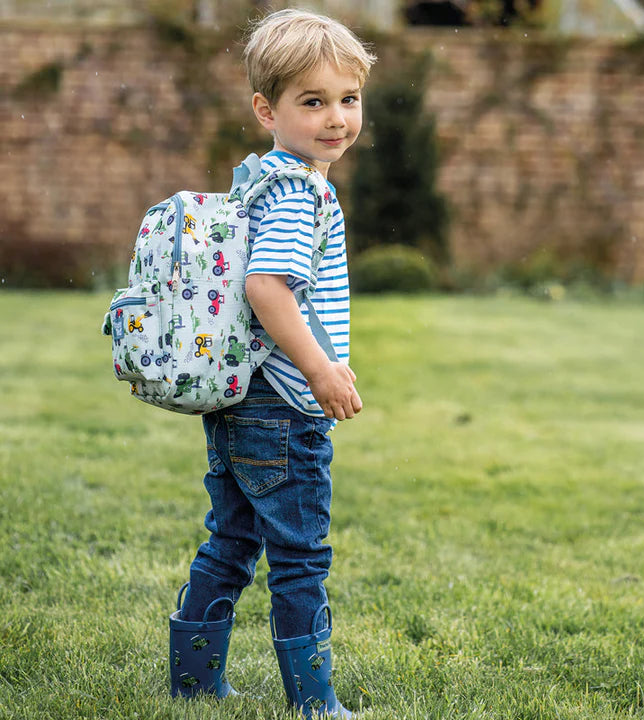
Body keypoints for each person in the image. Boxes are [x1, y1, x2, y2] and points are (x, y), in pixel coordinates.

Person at [168, 9, 375, 718]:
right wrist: (319, 369)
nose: (336, 118)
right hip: (283, 407)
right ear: (267, 108)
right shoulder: (300, 192)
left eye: (348, 99)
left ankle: (193, 685)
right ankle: (315, 703)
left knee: (229, 541)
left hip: (240, 398)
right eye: (312, 101)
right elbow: (266, 287)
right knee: (299, 558)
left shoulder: (262, 178)